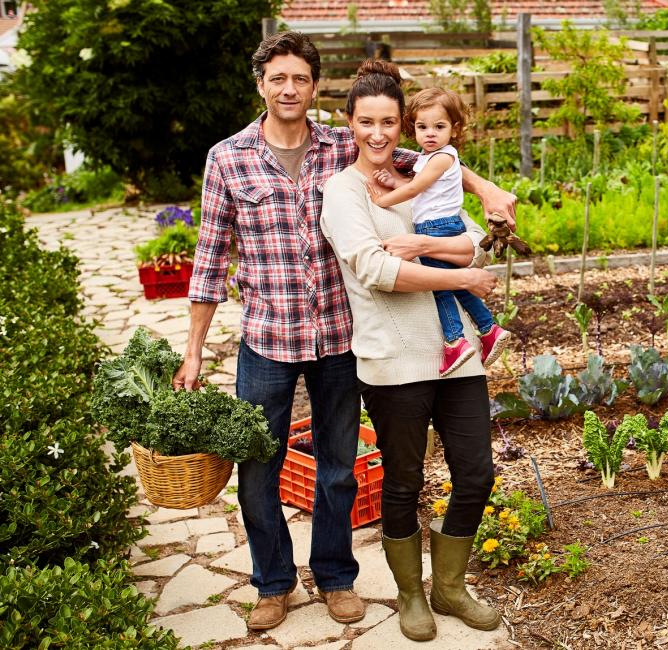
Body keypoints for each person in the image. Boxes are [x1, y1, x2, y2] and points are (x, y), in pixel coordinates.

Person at [172, 31, 516, 631]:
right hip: (268, 337)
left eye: (299, 79)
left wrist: (485, 188)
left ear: (314, 87)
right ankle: (273, 585)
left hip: (337, 337)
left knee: (336, 468)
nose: (288, 88)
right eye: (277, 78)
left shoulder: (343, 142)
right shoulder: (228, 157)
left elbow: (435, 162)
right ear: (260, 84)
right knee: (259, 467)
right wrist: (194, 350)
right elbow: (209, 260)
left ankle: (335, 578)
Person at [319, 59, 501, 642]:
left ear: (403, 125)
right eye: (366, 121)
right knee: (403, 482)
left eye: (389, 122)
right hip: (392, 363)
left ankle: (450, 586)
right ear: (349, 124)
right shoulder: (342, 192)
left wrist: (431, 245)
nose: (378, 134)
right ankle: (411, 592)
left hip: (457, 357)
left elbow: (472, 243)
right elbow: (375, 270)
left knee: (476, 474)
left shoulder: (421, 174)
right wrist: (461, 277)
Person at [370, 87, 511, 377]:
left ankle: (455, 340)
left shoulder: (443, 158)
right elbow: (419, 192)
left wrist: (381, 200)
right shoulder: (427, 158)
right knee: (453, 283)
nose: (429, 133)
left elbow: (415, 188)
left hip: (438, 227)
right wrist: (393, 180)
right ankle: (488, 329)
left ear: (455, 129)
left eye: (439, 126)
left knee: (440, 287)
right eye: (422, 127)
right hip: (437, 224)